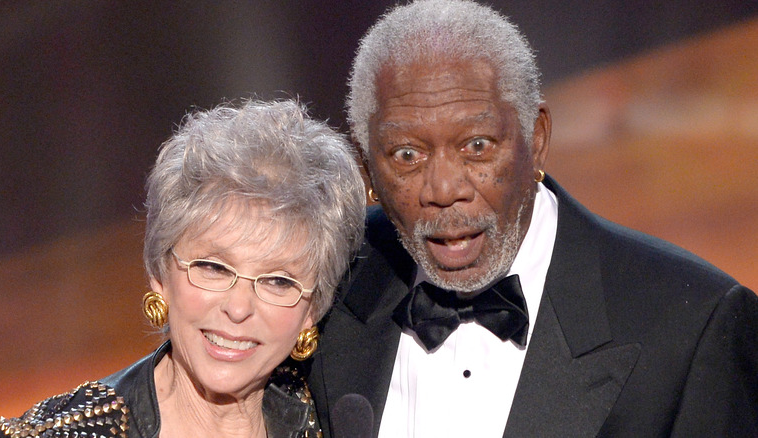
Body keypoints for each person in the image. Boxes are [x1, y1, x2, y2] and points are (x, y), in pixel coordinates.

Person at [307, 1, 758, 437]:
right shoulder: (320, 284)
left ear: (536, 138)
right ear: (367, 166)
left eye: (477, 146)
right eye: (407, 154)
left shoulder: (692, 326)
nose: (444, 191)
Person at [0, 100, 366, 438]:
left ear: (312, 310)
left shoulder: (341, 419)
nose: (238, 308)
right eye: (214, 267)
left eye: (278, 281)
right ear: (161, 273)